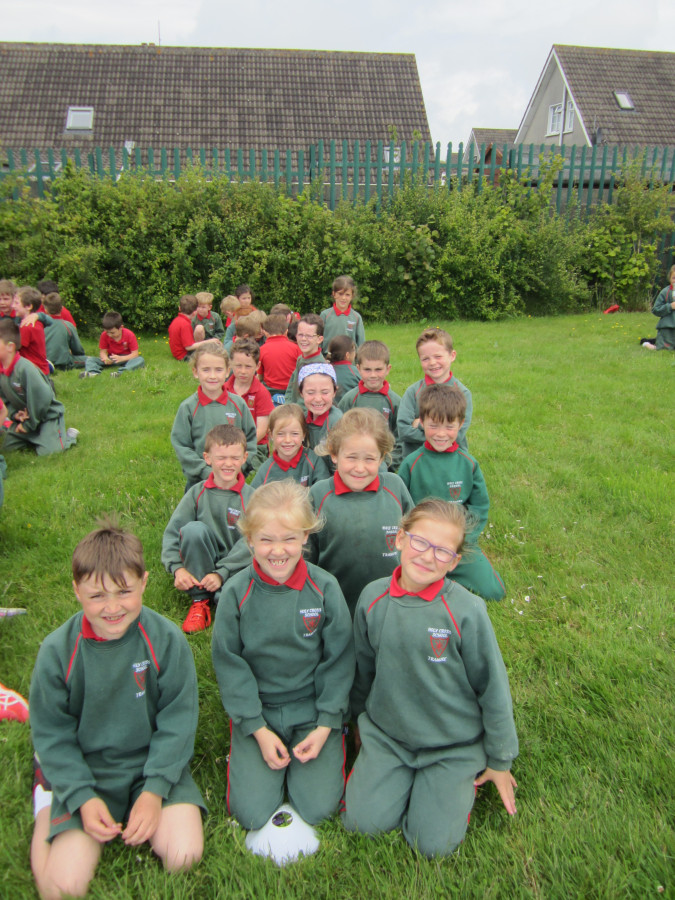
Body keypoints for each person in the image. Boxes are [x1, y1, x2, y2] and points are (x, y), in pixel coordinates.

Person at [29, 520, 204, 899]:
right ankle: (46, 799)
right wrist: (81, 796)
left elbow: (178, 720)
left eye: (124, 592)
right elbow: (52, 732)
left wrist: (154, 791)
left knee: (184, 855)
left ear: (143, 582)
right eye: (96, 596)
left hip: (151, 764)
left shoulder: (166, 640)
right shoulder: (57, 651)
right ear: (76, 591)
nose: (112, 608)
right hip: (88, 770)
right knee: (60, 888)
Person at [342, 499, 518, 857]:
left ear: (454, 562)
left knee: (432, 845)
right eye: (420, 542)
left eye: (442, 551)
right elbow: (363, 670)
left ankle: (452, 782)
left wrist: (500, 760)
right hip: (389, 736)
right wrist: (358, 723)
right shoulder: (372, 599)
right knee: (362, 824)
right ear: (400, 539)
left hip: (452, 744)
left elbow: (493, 688)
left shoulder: (467, 611)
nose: (427, 556)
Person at [211, 480, 354, 834]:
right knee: (250, 813)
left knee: (319, 809)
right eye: (266, 540)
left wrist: (326, 723)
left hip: (312, 711)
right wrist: (256, 728)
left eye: (289, 538)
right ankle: (255, 748)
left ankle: (326, 743)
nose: (278, 551)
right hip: (259, 712)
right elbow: (229, 663)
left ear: (305, 536)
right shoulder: (235, 593)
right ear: (249, 540)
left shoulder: (325, 587)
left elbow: (339, 658)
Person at [398, 384, 505, 601]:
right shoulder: (411, 463)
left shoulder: (468, 464)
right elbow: (399, 505)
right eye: (433, 425)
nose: (441, 434)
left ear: (461, 424)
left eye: (449, 427)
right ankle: (435, 576)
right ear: (421, 422)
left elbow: (479, 507)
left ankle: (447, 575)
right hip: (421, 545)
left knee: (494, 592)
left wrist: (464, 540)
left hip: (455, 545)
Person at [307, 408, 413, 616]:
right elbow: (306, 554)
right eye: (351, 457)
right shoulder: (319, 494)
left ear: (381, 458)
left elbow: (415, 536)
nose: (360, 468)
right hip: (335, 606)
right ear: (334, 454)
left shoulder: (395, 487)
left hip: (391, 604)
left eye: (369, 459)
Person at [163, 425, 253, 634]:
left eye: (234, 457)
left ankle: (224, 594)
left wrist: (222, 573)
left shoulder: (253, 497)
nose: (228, 464)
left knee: (233, 604)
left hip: (235, 568)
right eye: (221, 458)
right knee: (193, 530)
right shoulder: (197, 493)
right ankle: (200, 600)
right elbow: (173, 532)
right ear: (207, 458)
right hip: (201, 564)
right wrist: (177, 568)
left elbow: (252, 542)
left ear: (244, 458)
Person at [170, 344, 257, 489]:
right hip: (200, 482)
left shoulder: (238, 405)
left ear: (227, 371)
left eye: (218, 370)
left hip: (233, 479)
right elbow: (182, 446)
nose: (212, 376)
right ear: (195, 372)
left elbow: (251, 440)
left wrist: (240, 467)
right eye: (206, 370)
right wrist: (205, 471)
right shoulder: (188, 408)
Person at [0, 318, 78, 455]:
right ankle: (36, 437)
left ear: (10, 347)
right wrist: (15, 415)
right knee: (7, 448)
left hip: (46, 416)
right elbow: (4, 400)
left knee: (49, 452)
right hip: (25, 417)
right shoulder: (2, 370)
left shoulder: (25, 369)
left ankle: (68, 436)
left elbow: (42, 399)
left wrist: (29, 424)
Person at [398, 328, 472, 458]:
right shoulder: (413, 392)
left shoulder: (463, 393)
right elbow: (403, 431)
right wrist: (438, 434)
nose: (432, 363)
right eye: (425, 359)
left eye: (438, 356)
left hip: (452, 459)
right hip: (417, 458)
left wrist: (420, 425)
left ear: (452, 355)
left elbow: (458, 434)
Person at [338, 340, 402, 470]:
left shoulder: (395, 401)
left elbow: (400, 438)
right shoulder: (350, 399)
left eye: (378, 369)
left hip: (383, 465)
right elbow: (338, 431)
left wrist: (388, 464)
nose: (373, 375)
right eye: (367, 369)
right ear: (358, 368)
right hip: (355, 463)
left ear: (388, 369)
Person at [251, 404, 329, 489]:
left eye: (294, 434)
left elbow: (324, 492)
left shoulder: (314, 461)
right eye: (280, 434)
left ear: (303, 434)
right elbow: (253, 496)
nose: (287, 440)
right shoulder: (266, 470)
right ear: (271, 435)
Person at [225, 338, 274, 471]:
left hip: (255, 446)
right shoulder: (223, 390)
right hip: (226, 443)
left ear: (257, 366)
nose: (243, 371)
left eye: (248, 366)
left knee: (244, 469)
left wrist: (239, 448)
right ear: (230, 364)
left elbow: (261, 430)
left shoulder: (261, 393)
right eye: (238, 366)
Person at [81, 310, 144, 378]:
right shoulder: (104, 335)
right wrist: (105, 358)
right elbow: (103, 352)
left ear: (121, 328)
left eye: (112, 333)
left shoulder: (129, 335)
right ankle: (93, 373)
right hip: (111, 358)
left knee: (140, 360)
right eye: (107, 332)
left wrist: (121, 358)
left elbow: (135, 354)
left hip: (126, 359)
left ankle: (120, 373)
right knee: (90, 360)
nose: (109, 335)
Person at [298, 362, 342, 452]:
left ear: (334, 392)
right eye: (310, 393)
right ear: (301, 393)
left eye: (325, 392)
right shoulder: (302, 419)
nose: (318, 399)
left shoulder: (337, 423)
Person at [258, 313, 300, 404]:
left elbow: (260, 376)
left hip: (271, 391)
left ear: (265, 332)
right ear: (286, 331)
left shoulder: (261, 350)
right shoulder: (296, 348)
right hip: (291, 390)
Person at [284, 314, 326, 404]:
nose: (303, 339)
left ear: (319, 339)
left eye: (309, 336)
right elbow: (291, 386)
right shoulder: (300, 359)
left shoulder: (319, 367)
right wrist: (287, 404)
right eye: (300, 335)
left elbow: (309, 401)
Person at [11, 286, 50, 375]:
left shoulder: (27, 326)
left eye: (16, 303)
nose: (13, 306)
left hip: (34, 371)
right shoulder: (36, 322)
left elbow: (14, 348)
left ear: (28, 306)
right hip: (40, 368)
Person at [319, 275, 366, 347]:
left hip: (349, 354)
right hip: (328, 354)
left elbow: (361, 343)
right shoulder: (325, 315)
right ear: (334, 294)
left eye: (347, 295)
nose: (343, 298)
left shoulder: (356, 317)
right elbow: (318, 340)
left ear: (352, 296)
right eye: (340, 294)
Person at [42, 294, 86, 370]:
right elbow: (77, 349)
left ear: (45, 310)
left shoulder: (41, 325)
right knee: (92, 359)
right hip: (64, 362)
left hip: (44, 360)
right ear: (62, 308)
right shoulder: (68, 326)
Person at [168, 295, 217, 361]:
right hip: (184, 355)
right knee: (212, 356)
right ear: (194, 313)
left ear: (179, 308)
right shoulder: (185, 324)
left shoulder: (176, 320)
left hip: (177, 353)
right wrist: (209, 342)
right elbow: (188, 347)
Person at [643, 266, 675, 350]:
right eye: (674, 278)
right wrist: (670, 306)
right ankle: (646, 343)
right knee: (663, 349)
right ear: (670, 278)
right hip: (667, 328)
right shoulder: (665, 292)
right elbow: (655, 309)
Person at [326, 336, 359, 401]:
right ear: (347, 355)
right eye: (354, 350)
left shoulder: (325, 370)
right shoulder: (355, 372)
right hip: (350, 406)